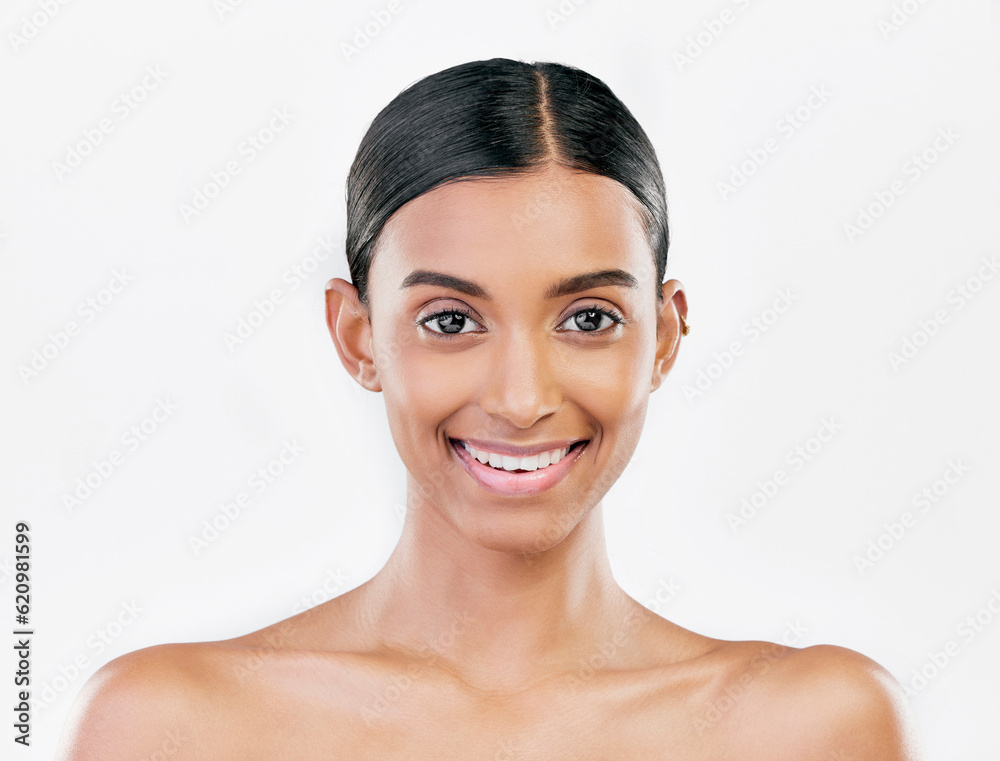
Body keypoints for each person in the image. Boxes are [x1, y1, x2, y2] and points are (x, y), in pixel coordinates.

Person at [56, 58, 924, 759]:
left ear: (663, 338)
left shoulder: (810, 728)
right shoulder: (167, 727)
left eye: (588, 318)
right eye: (450, 321)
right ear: (357, 337)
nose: (521, 399)